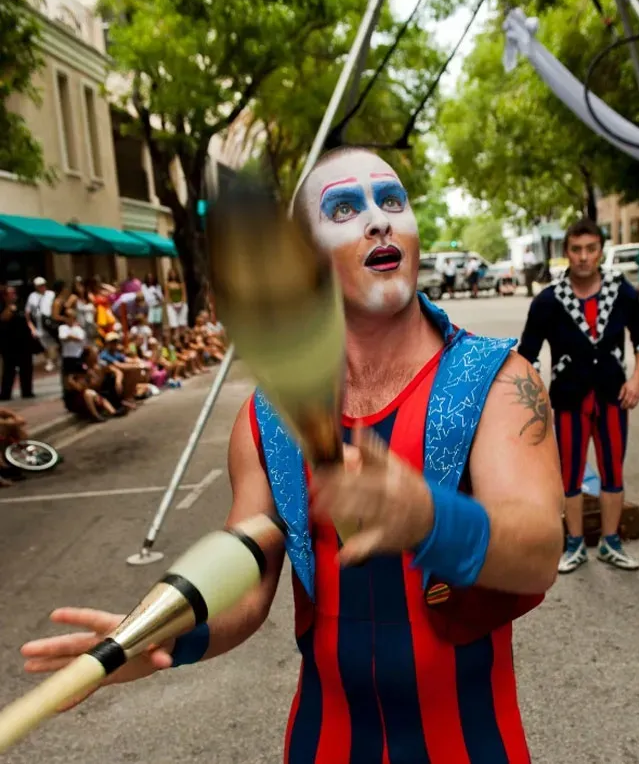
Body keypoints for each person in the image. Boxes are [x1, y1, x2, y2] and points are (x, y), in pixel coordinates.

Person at [21, 146, 564, 763]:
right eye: (345, 208)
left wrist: (427, 517)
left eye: (392, 202)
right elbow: (248, 576)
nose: (378, 220)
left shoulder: (497, 380)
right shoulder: (267, 419)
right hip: (324, 741)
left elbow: (540, 551)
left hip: (471, 742)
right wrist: (159, 637)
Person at [517, 218, 639, 573]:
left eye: (590, 249)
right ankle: (575, 544)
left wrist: (637, 381)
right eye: (576, 250)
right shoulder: (549, 300)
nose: (583, 257)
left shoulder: (620, 291)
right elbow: (526, 356)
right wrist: (535, 401)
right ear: (566, 253)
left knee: (613, 471)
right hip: (567, 401)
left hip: (613, 397)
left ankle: (611, 543)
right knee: (570, 476)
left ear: (600, 251)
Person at [0, 286, 39, 400]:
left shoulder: (20, 305)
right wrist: (10, 308)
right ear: (5, 296)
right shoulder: (4, 307)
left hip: (24, 342)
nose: (13, 295)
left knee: (26, 367)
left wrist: (32, 330)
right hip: (9, 343)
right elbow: (3, 319)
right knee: (9, 369)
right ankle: (6, 393)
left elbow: (27, 318)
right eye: (10, 293)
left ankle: (27, 390)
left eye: (14, 293)